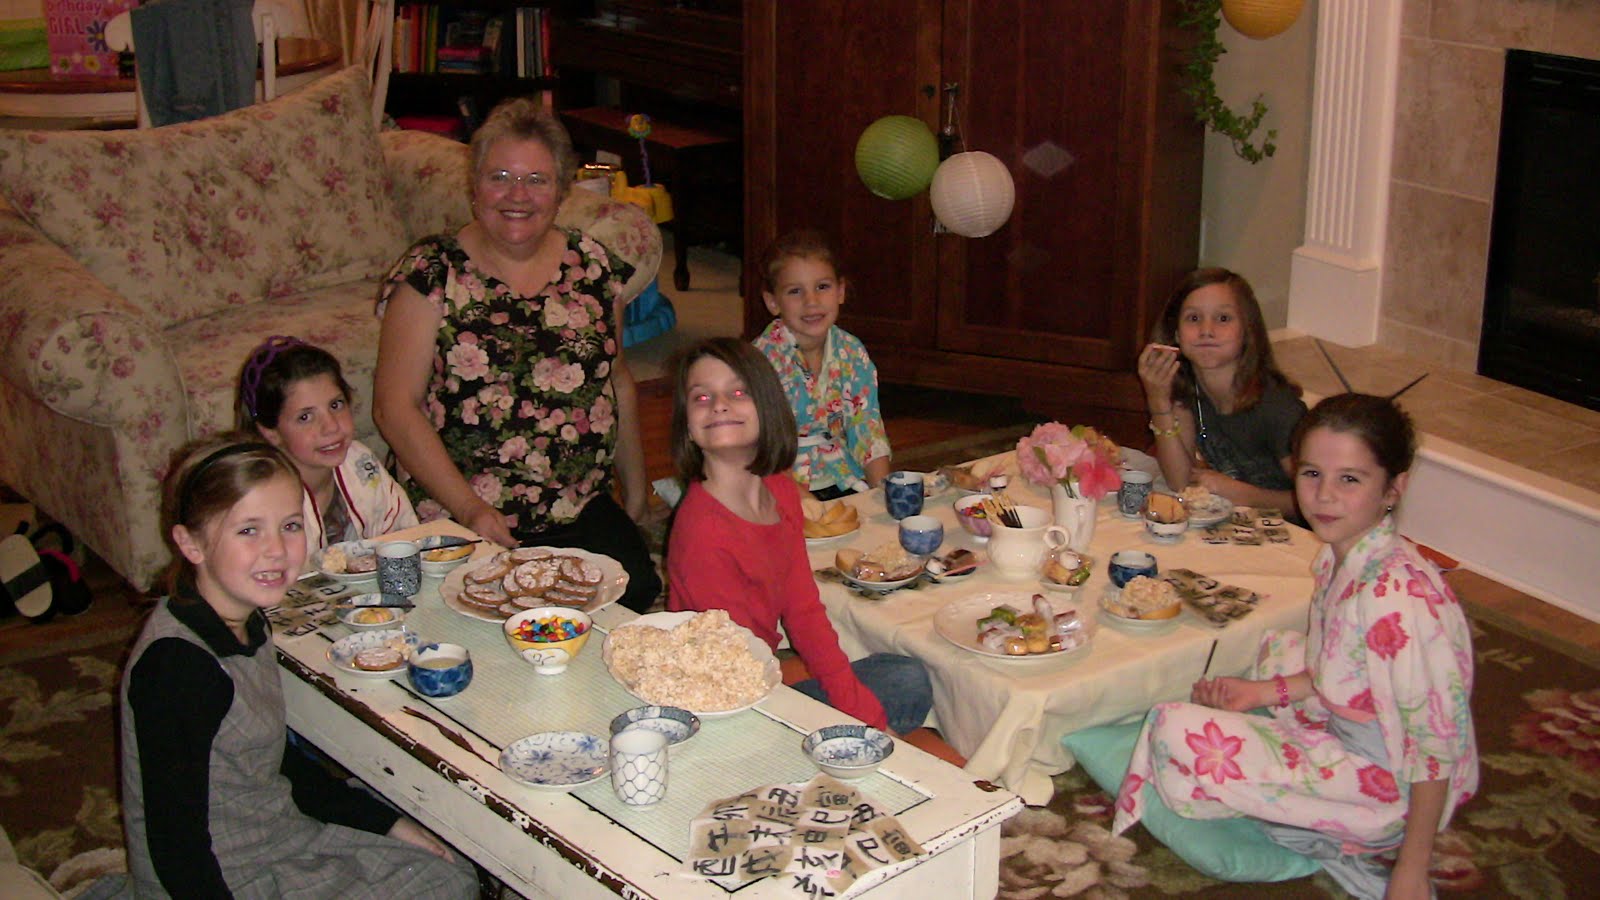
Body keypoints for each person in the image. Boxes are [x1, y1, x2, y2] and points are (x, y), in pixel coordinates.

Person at [1110, 394, 1478, 900]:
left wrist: (1410, 872)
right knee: (1279, 646)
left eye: (1350, 479)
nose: (1324, 496)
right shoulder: (1342, 555)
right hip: (1358, 728)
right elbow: (1339, 668)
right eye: (1311, 475)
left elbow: (1433, 746)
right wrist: (1262, 694)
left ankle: (1337, 833)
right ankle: (1306, 803)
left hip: (1392, 789)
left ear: (1394, 488)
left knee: (1172, 726)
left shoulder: (1400, 603)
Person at [118, 436, 477, 898]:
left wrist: (386, 824)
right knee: (444, 887)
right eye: (248, 530)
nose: (276, 550)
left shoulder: (246, 619)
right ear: (191, 544)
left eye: (289, 525)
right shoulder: (179, 669)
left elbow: (269, 760)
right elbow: (175, 846)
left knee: (447, 858)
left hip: (272, 830)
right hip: (224, 877)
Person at [373, 97, 660, 612]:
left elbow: (617, 380)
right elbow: (394, 407)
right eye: (500, 176)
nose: (517, 196)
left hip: (574, 502)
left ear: (561, 190)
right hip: (463, 508)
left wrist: (634, 492)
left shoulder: (593, 269)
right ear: (474, 185)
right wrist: (471, 508)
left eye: (536, 180)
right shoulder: (430, 272)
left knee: (634, 593)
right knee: (492, 617)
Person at [665, 338, 961, 762]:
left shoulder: (780, 489)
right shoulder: (704, 533)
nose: (719, 406)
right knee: (892, 704)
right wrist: (870, 728)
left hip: (761, 676)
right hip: (726, 709)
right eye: (702, 397)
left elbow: (803, 609)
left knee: (907, 677)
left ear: (767, 408)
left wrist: (867, 717)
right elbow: (730, 678)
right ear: (688, 426)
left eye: (737, 392)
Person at [1137, 267, 1306, 516]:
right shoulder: (1187, 388)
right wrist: (1158, 401)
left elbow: (1312, 500)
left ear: (1247, 331)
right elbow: (1179, 481)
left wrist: (1243, 494)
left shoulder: (1278, 408)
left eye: (1223, 319)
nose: (1206, 330)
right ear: (1175, 334)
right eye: (1194, 319)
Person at [235, 335, 417, 560]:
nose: (331, 426)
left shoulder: (360, 462)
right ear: (270, 431)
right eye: (305, 417)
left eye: (336, 405)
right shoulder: (262, 497)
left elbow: (404, 534)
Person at [752, 229, 891, 500]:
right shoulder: (760, 361)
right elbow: (759, 449)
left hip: (841, 473)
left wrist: (885, 492)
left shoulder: (852, 351)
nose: (811, 302)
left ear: (840, 291)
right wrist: (803, 504)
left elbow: (866, 425)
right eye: (795, 291)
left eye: (822, 287)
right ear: (772, 301)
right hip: (777, 480)